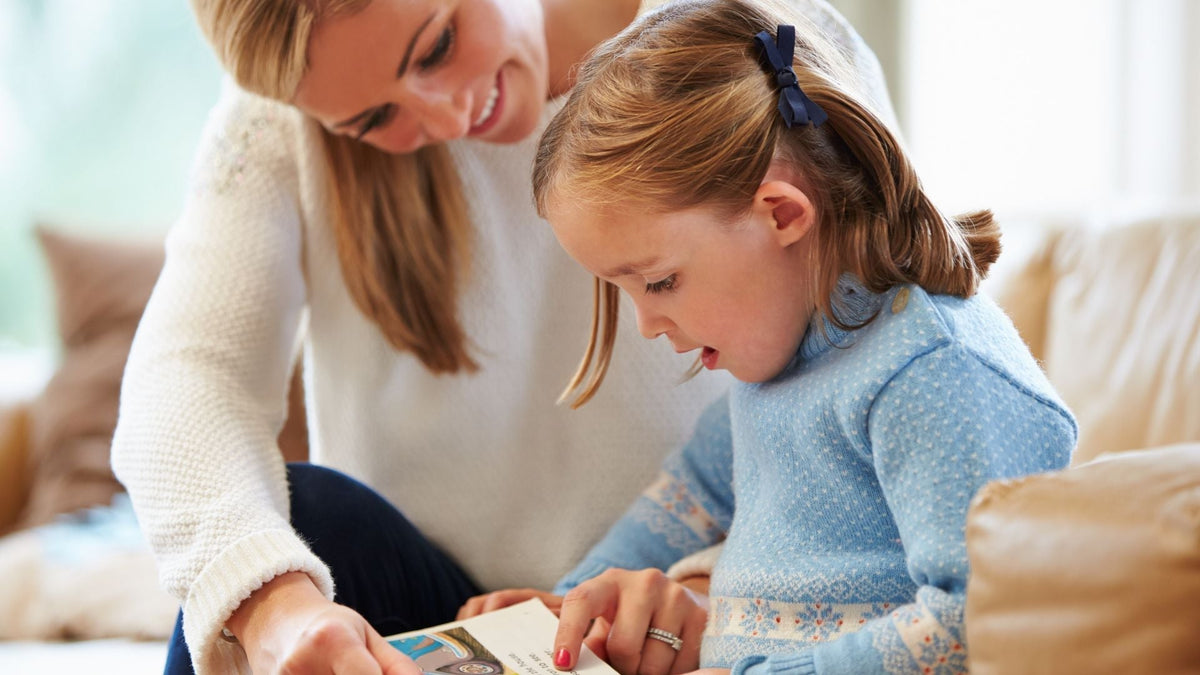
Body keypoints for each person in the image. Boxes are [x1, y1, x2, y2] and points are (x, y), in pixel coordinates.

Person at [109, 0, 896, 673]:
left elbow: (878, 397)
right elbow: (186, 380)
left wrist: (706, 591)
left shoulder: (751, 48)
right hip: (440, 616)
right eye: (373, 119)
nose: (446, 117)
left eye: (439, 45)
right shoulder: (282, 119)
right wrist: (276, 606)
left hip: (685, 607)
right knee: (309, 517)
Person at [527, 1, 1078, 673]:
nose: (647, 323)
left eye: (661, 281)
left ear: (782, 213)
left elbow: (977, 622)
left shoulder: (931, 368)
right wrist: (556, 611)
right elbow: (691, 491)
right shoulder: (790, 356)